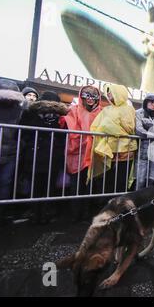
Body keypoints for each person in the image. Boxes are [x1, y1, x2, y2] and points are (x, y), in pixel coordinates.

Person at [19, 93, 69, 224]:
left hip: (43, 153)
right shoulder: (33, 114)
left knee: (40, 185)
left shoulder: (32, 113)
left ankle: (39, 212)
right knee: (44, 185)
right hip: (42, 153)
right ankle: (40, 212)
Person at [89, 83, 138, 194]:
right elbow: (96, 126)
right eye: (108, 93)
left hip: (126, 150)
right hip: (109, 149)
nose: (109, 95)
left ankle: (119, 203)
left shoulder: (129, 109)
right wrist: (111, 127)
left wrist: (110, 127)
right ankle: (105, 201)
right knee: (107, 177)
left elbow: (130, 128)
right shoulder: (106, 110)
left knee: (122, 178)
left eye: (111, 92)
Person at [63, 86, 103, 221]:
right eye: (88, 95)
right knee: (76, 185)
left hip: (93, 155)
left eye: (94, 96)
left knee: (90, 185)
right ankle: (75, 214)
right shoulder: (74, 110)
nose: (91, 99)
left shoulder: (101, 112)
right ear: (82, 96)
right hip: (78, 154)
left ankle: (86, 214)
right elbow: (72, 130)